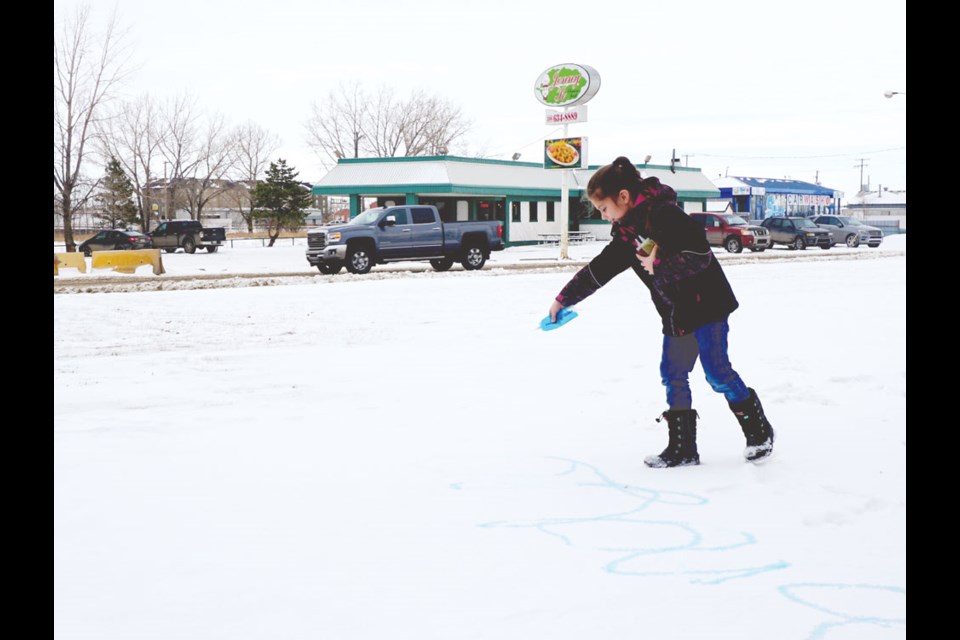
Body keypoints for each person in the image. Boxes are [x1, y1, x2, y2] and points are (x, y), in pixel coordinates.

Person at [547, 156, 774, 467]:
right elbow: (600, 269)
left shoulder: (665, 215)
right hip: (676, 312)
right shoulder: (626, 234)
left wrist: (659, 265)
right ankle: (683, 449)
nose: (604, 217)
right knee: (673, 374)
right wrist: (564, 299)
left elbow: (700, 256)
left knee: (718, 374)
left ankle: (758, 431)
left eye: (604, 209)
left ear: (623, 197)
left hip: (707, 305)